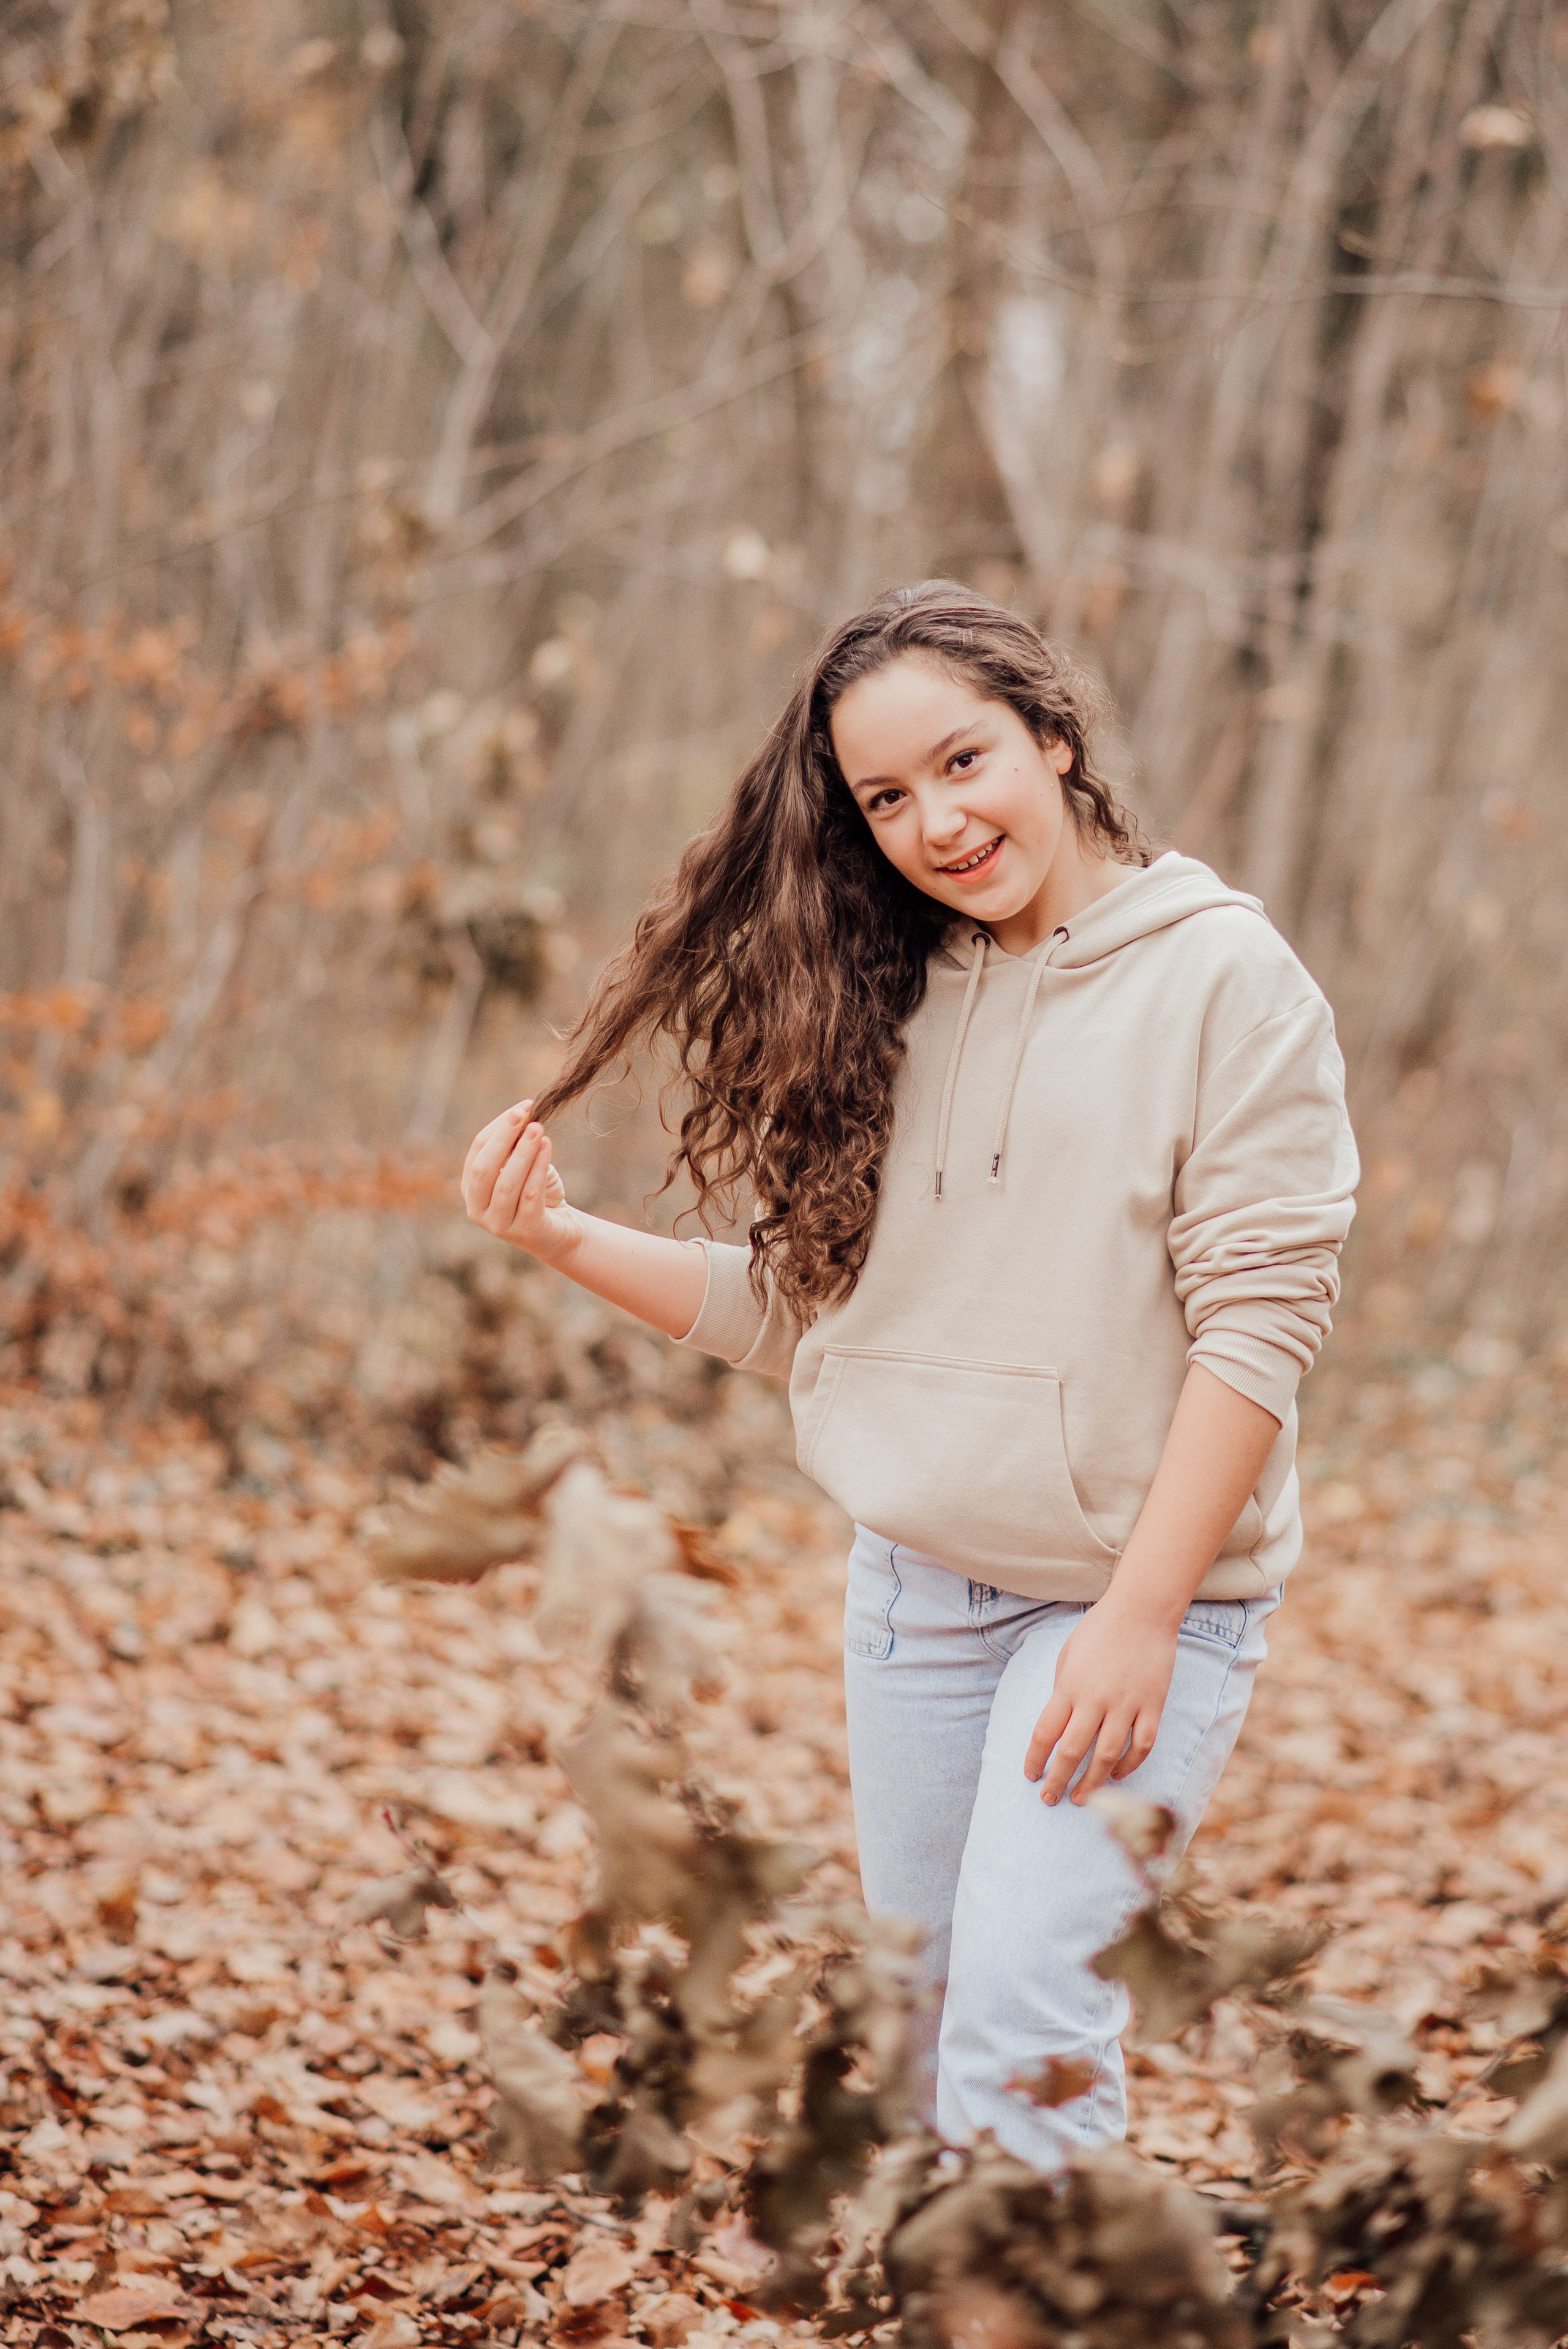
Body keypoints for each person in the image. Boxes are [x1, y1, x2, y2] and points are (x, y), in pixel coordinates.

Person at [461, 581, 1358, 2167]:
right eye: (886, 797)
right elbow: (815, 1321)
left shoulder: (1224, 979)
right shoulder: (887, 992)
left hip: (1128, 1605)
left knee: (1025, 2031)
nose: (936, 820)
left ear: (1054, 737)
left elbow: (1260, 1324)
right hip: (916, 1603)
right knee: (928, 2032)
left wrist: (1143, 1614)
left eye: (964, 761)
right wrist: (564, 1238)